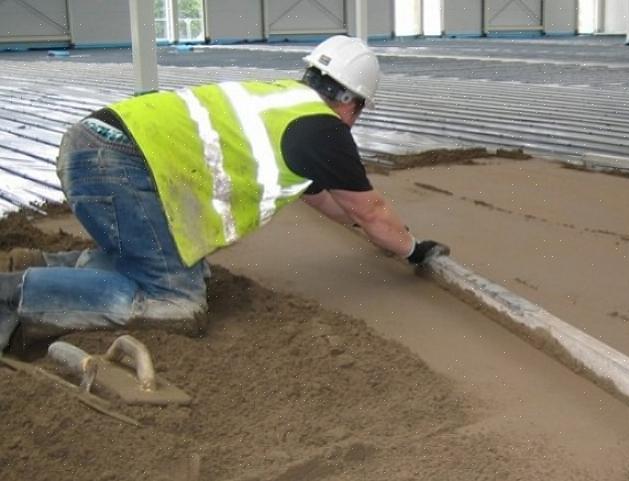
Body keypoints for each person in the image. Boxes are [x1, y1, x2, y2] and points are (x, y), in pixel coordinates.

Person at [0, 35, 449, 352]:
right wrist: (411, 249)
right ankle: (15, 293)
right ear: (353, 103)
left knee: (170, 265)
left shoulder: (283, 102)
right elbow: (372, 211)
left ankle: (46, 265)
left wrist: (361, 224)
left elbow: (326, 200)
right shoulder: (325, 131)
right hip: (116, 167)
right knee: (175, 301)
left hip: (95, 146)